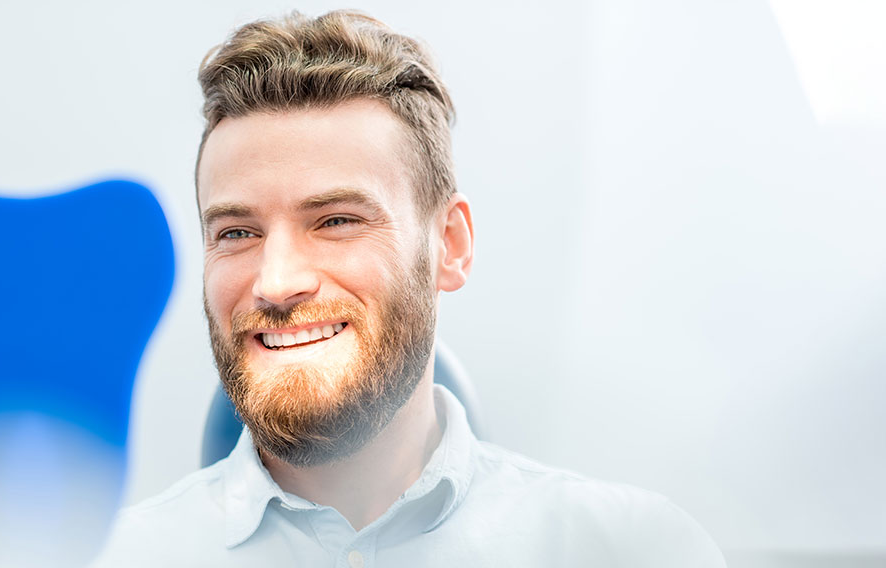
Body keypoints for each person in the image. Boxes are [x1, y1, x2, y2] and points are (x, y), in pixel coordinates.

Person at [92, 10, 725, 567]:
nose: (276, 282)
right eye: (236, 232)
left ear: (450, 244)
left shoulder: (632, 551)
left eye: (336, 221)